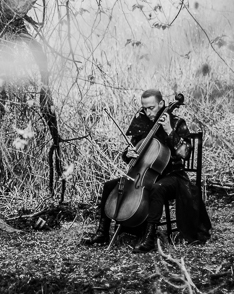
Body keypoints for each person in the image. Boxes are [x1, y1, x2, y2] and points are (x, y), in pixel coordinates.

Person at [82, 88, 212, 252]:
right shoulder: (141, 122)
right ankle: (102, 233)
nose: (148, 112)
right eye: (144, 108)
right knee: (109, 186)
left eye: (151, 107)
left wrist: (168, 130)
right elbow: (133, 152)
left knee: (157, 189)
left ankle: (149, 238)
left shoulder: (177, 122)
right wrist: (128, 154)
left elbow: (185, 154)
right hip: (145, 174)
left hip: (173, 176)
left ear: (161, 104)